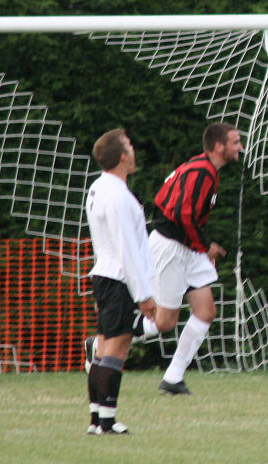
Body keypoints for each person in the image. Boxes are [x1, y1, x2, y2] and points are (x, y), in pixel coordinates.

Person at [142, 122, 243, 395]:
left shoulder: (206, 169)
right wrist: (205, 246)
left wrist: (200, 248)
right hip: (172, 246)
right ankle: (111, 336)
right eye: (235, 142)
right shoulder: (201, 172)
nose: (240, 147)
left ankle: (173, 379)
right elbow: (182, 215)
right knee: (164, 323)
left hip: (187, 245)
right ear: (219, 146)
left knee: (206, 311)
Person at [84, 128, 157, 435]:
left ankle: (98, 419)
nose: (134, 149)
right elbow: (127, 248)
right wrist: (143, 294)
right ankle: (105, 422)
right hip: (117, 278)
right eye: (129, 145)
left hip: (108, 274)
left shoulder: (103, 187)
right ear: (122, 156)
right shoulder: (115, 195)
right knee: (115, 348)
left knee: (107, 347)